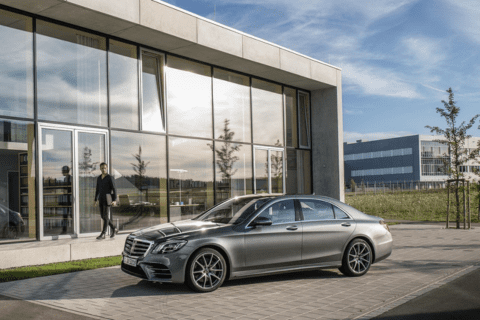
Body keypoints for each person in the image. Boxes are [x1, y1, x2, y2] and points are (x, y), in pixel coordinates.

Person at [94, 162, 117, 239]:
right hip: (101, 198)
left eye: (105, 168)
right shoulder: (99, 178)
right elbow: (97, 189)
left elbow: (114, 189)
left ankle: (103, 233)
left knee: (106, 216)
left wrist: (114, 200)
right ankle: (114, 228)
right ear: (100, 168)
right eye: (102, 168)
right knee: (103, 216)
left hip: (108, 198)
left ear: (106, 168)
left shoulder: (110, 177)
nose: (103, 169)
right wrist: (95, 199)